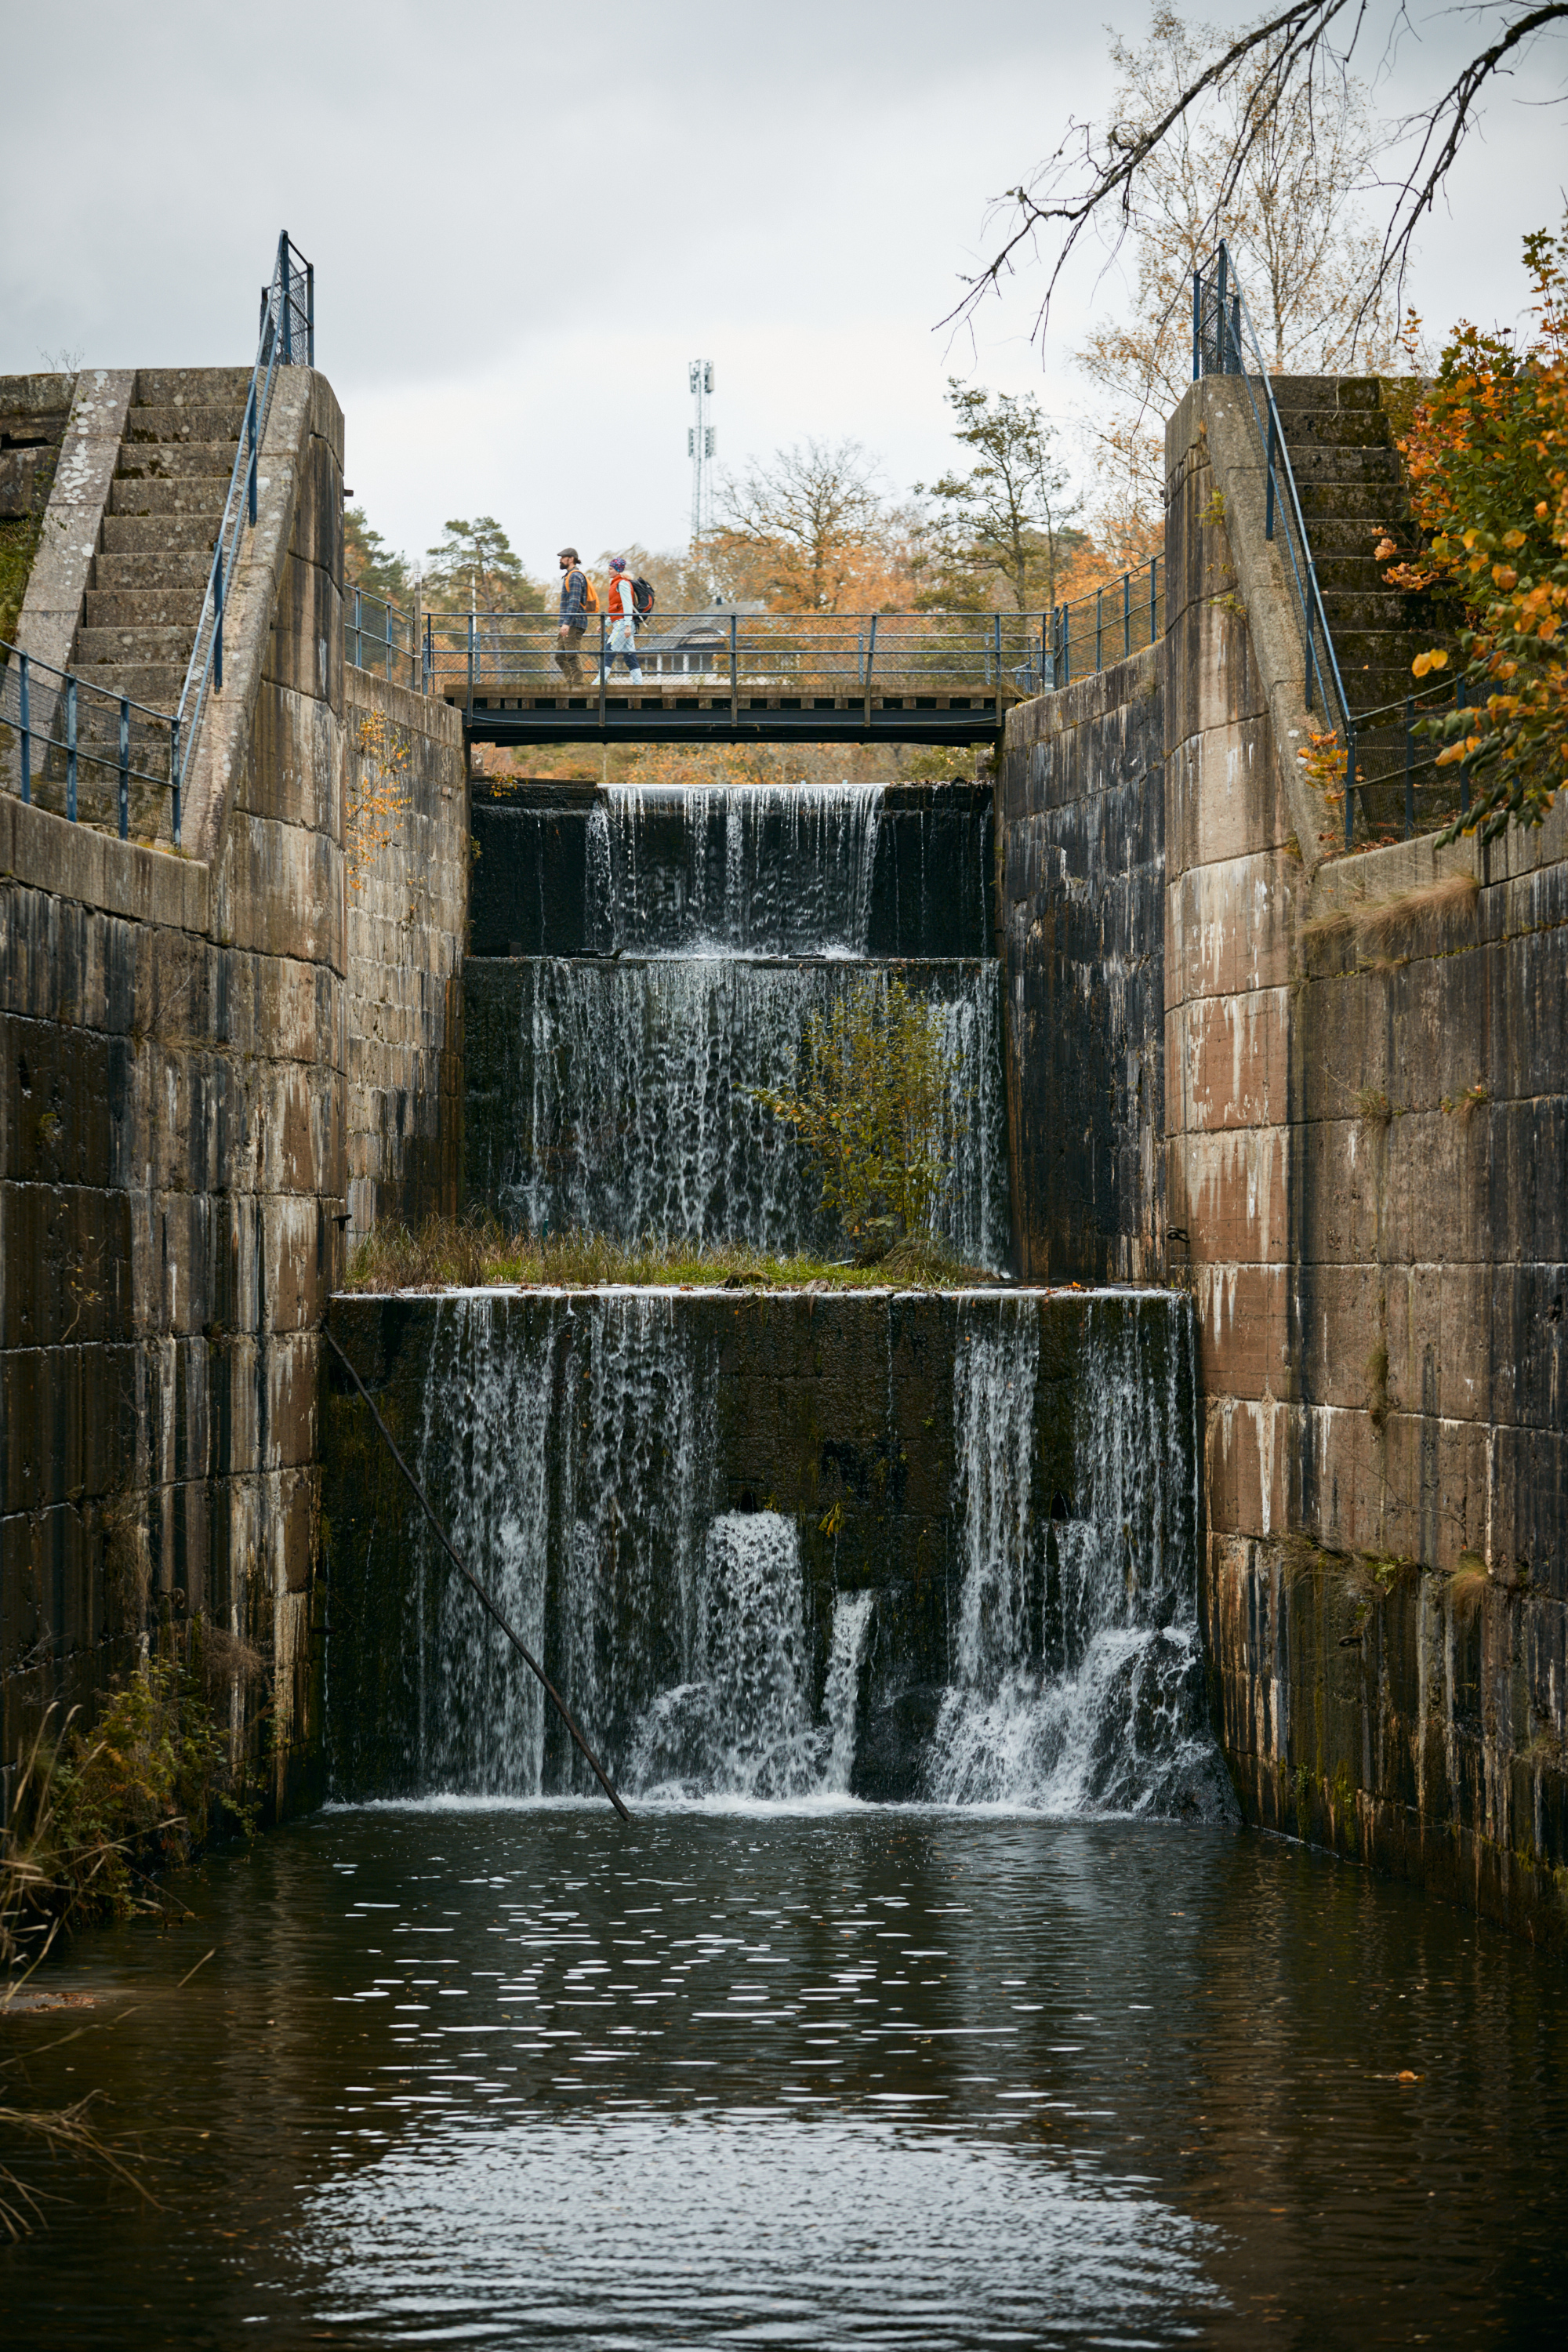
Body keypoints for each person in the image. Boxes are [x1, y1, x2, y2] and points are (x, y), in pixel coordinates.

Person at [605, 556, 644, 685]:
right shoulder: (616, 583)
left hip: (623, 625)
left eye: (610, 568)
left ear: (617, 570)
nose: (608, 571)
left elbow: (627, 606)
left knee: (608, 652)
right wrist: (605, 623)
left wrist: (627, 625)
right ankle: (638, 684)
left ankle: (599, 682)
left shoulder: (622, 583)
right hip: (621, 623)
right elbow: (616, 609)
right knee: (630, 656)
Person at [556, 546, 590, 684]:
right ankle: (572, 681)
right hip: (568, 622)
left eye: (563, 557)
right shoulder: (569, 576)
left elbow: (574, 601)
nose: (560, 560)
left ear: (570, 559)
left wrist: (567, 623)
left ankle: (578, 685)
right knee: (560, 656)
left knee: (572, 655)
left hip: (573, 623)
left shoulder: (575, 576)